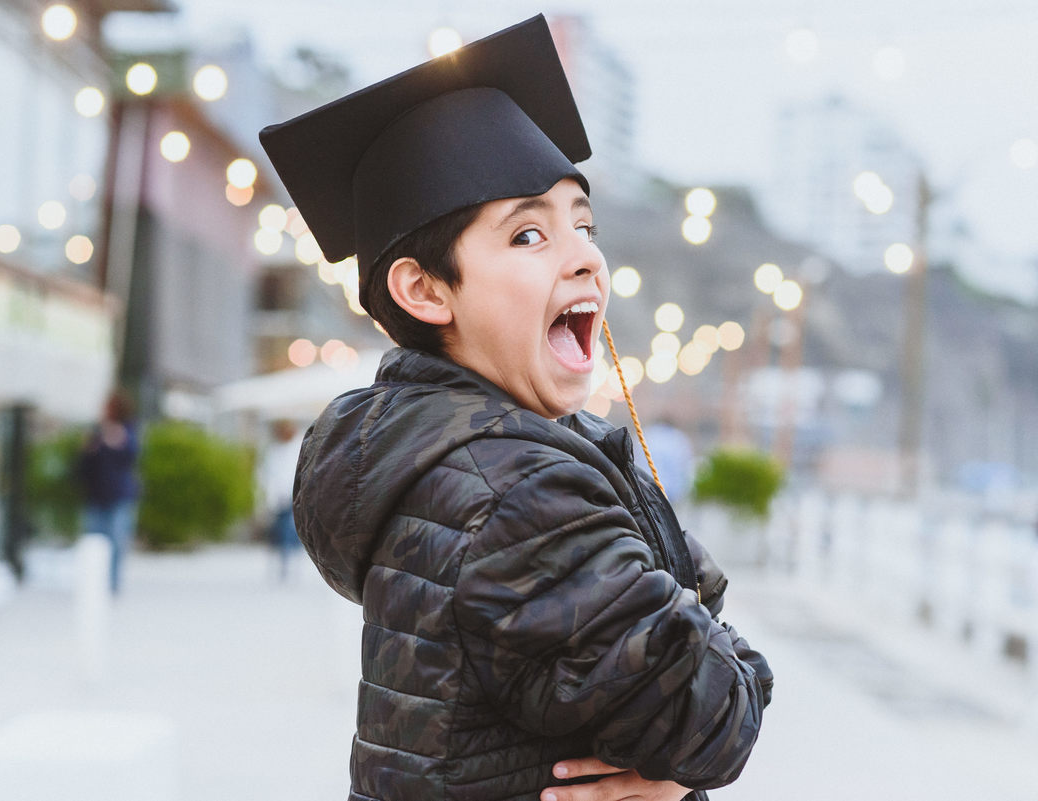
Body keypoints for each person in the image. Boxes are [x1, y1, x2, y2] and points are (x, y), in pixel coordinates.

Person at [261, 16, 772, 801]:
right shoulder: (520, 493)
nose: (585, 257)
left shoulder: (438, 459)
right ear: (424, 289)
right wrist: (698, 722)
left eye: (583, 224)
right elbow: (717, 717)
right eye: (529, 233)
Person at [78, 390, 140, 595]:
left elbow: (132, 457)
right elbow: (84, 464)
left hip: (119, 497)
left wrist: (118, 441)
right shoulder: (97, 432)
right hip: (96, 496)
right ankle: (94, 581)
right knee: (94, 542)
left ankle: (112, 584)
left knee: (116, 542)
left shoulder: (129, 431)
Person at [258, 418, 305, 581]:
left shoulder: (298, 448)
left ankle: (289, 564)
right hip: (278, 499)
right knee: (280, 532)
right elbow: (265, 476)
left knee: (289, 530)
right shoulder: (274, 451)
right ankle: (284, 564)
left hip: (295, 497)